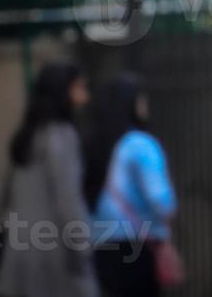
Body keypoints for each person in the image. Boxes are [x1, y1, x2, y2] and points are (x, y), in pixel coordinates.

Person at [0, 62, 97, 297]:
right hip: (54, 253)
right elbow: (68, 198)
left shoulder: (26, 135)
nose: (85, 96)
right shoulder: (61, 135)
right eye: (79, 87)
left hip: (19, 251)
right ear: (63, 91)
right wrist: (82, 246)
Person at [85, 74, 177, 297]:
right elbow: (161, 202)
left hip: (101, 248)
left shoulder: (92, 144)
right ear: (131, 104)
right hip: (138, 248)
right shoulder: (140, 144)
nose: (145, 104)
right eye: (140, 98)